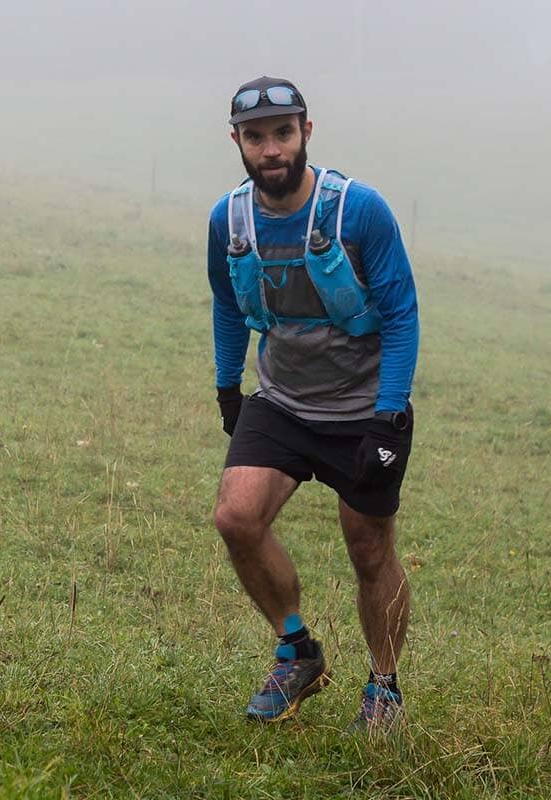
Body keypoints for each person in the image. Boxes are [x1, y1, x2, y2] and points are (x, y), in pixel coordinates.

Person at [207, 76, 419, 733]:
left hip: (365, 409)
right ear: (237, 141)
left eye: (282, 132)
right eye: (255, 136)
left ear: (306, 131)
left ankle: (383, 690)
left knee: (369, 549)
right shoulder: (229, 219)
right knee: (236, 518)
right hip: (283, 401)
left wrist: (389, 416)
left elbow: (401, 312)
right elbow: (227, 304)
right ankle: (297, 650)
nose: (271, 149)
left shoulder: (360, 211)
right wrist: (228, 388)